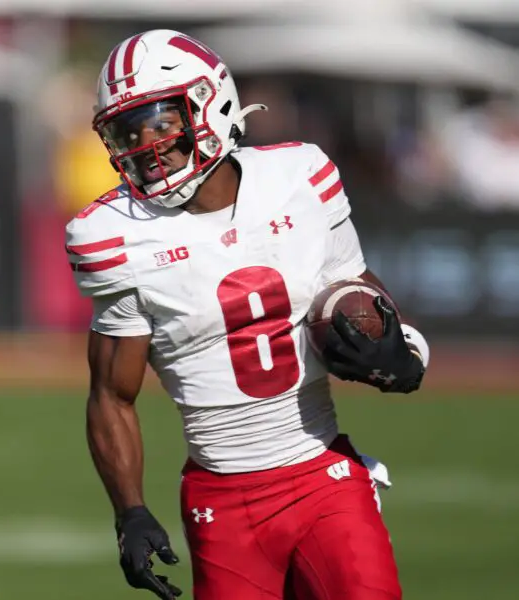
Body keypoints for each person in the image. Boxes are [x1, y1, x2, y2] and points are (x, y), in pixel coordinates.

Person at [65, 30, 430, 600]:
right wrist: (129, 512)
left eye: (161, 123)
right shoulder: (113, 234)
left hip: (323, 474)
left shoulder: (300, 177)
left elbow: (357, 291)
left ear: (211, 103)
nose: (147, 145)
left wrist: (405, 350)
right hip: (223, 500)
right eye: (129, 131)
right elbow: (112, 393)